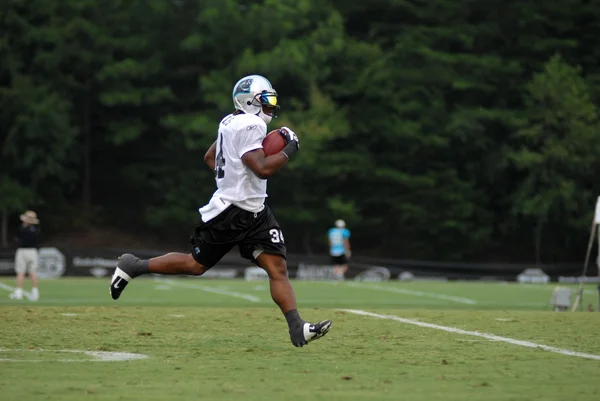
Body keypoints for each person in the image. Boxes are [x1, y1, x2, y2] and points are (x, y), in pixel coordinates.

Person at [109, 75, 331, 347]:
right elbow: (262, 168)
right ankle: (133, 265)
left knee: (277, 268)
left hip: (255, 210)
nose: (271, 107)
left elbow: (210, 157)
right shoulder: (250, 124)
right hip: (233, 212)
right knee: (195, 265)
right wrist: (290, 149)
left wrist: (231, 179)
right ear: (249, 102)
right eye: (266, 100)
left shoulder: (229, 121)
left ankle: (297, 327)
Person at [10, 210, 41, 301]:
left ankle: (19, 292)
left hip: (23, 251)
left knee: (21, 272)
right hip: (33, 252)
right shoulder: (36, 230)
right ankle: (35, 292)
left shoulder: (21, 229)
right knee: (33, 272)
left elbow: (16, 238)